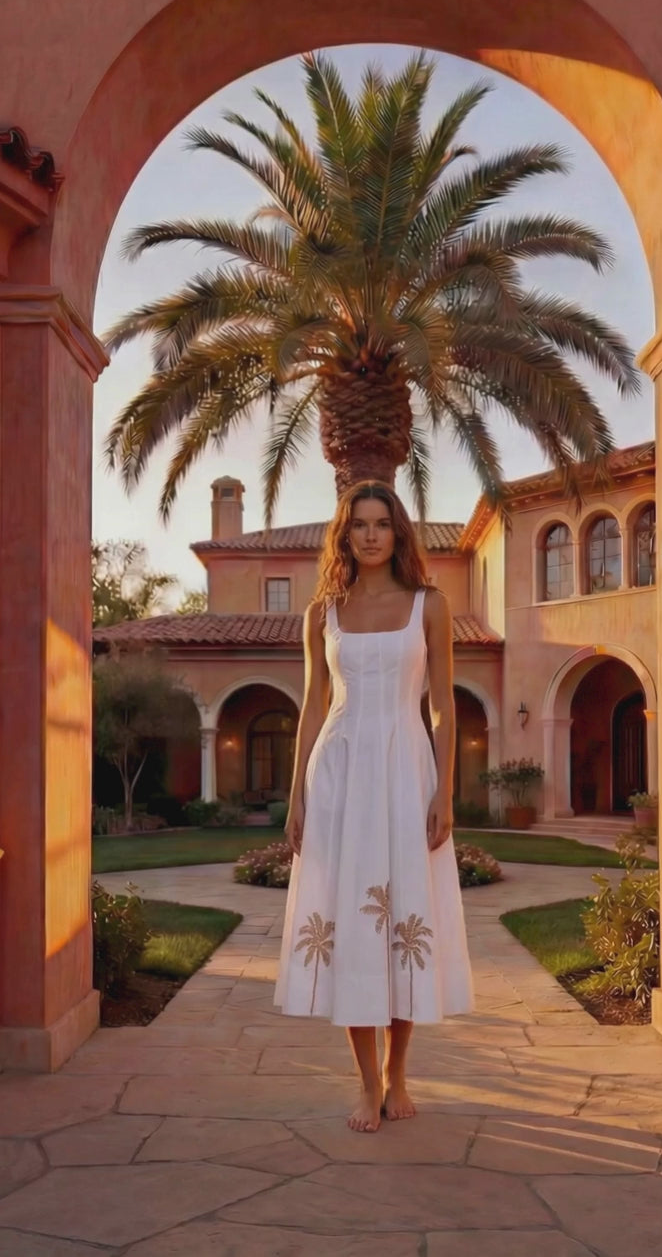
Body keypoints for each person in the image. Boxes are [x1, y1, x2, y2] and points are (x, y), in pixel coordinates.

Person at [273, 481, 474, 1132]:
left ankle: (398, 1074)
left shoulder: (429, 606)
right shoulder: (321, 614)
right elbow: (311, 708)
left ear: (398, 532)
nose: (369, 534)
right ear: (345, 533)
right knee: (354, 929)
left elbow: (443, 705)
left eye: (381, 523)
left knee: (403, 919)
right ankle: (365, 1082)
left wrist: (446, 788)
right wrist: (297, 795)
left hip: (405, 773)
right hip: (340, 776)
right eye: (358, 524)